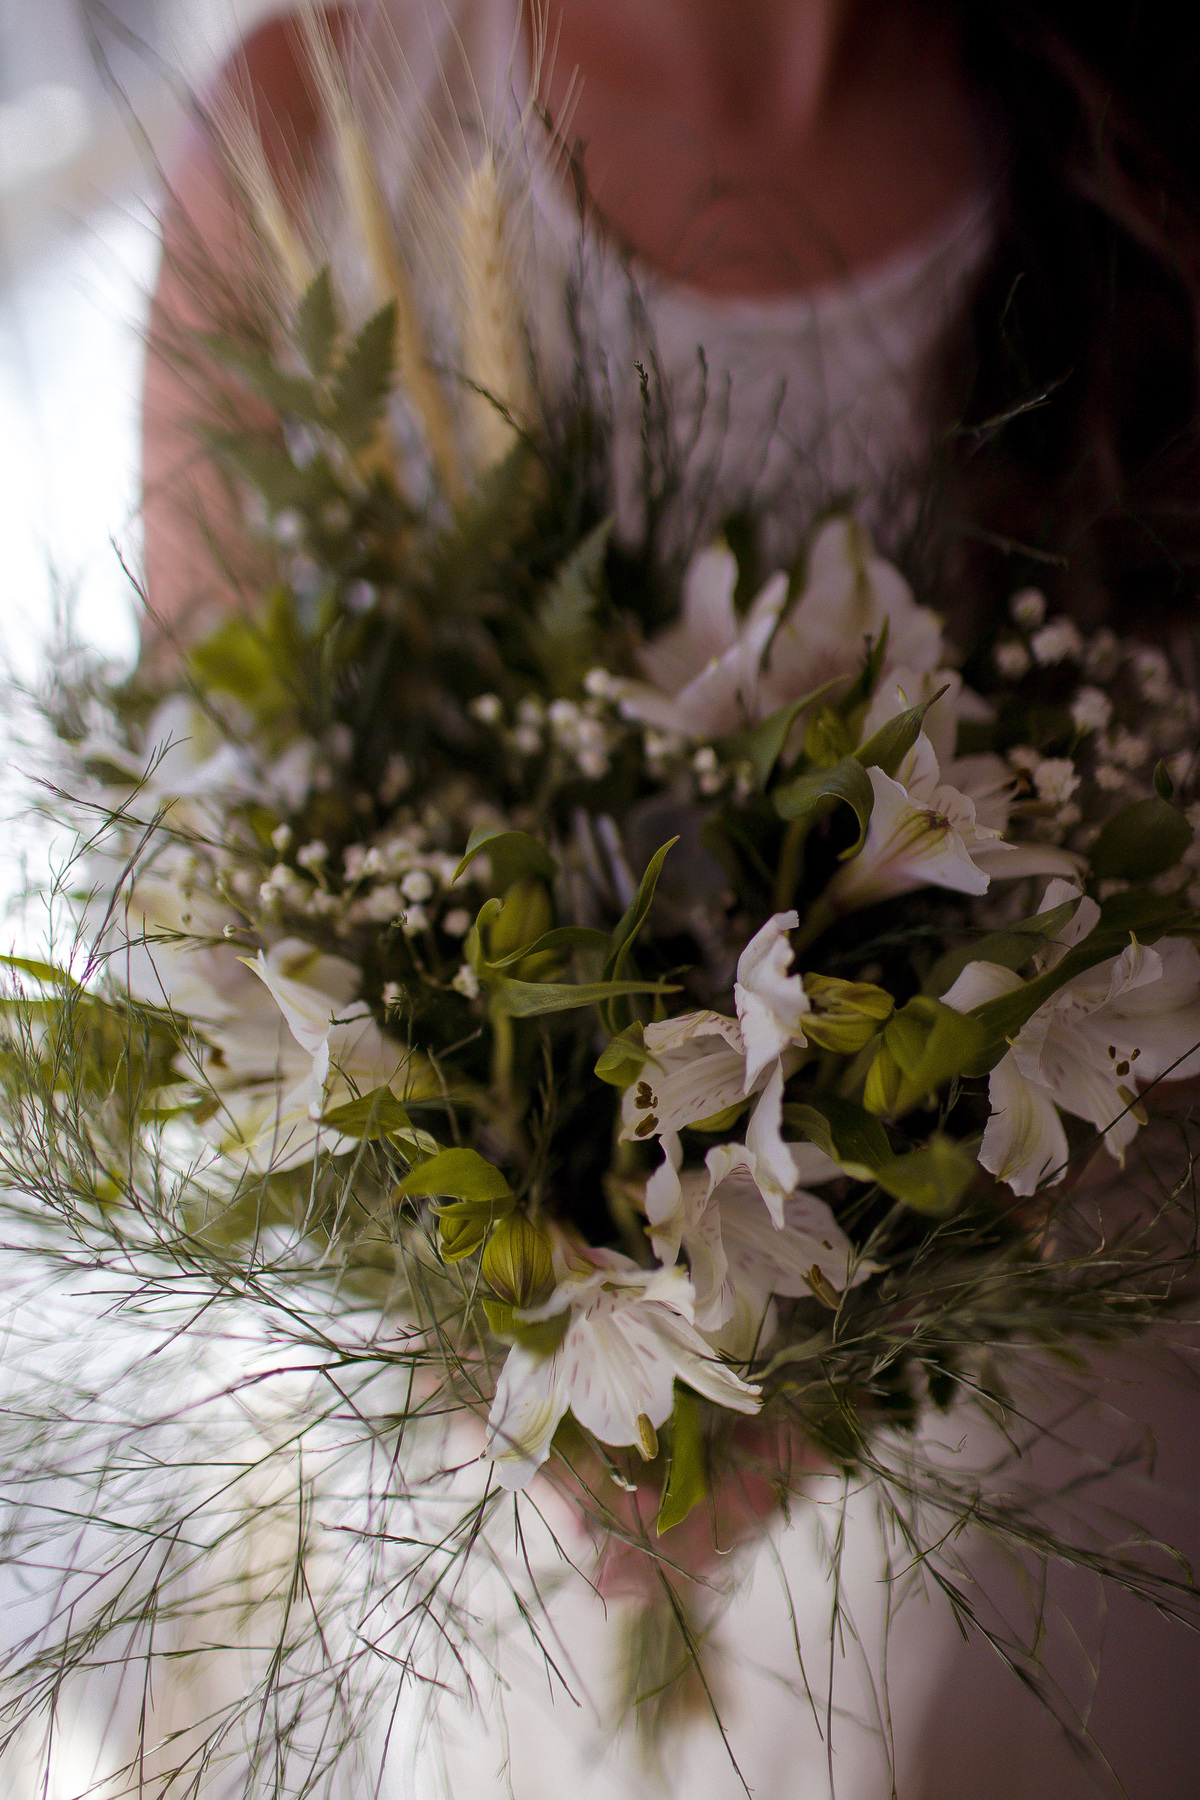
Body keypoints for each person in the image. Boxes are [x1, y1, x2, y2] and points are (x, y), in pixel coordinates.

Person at [137, 4, 1200, 1796]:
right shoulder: (324, 117)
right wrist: (534, 1330)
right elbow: (207, 881)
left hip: (1031, 1464)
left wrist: (858, 1342)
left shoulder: (1130, 149)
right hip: (493, 1488)